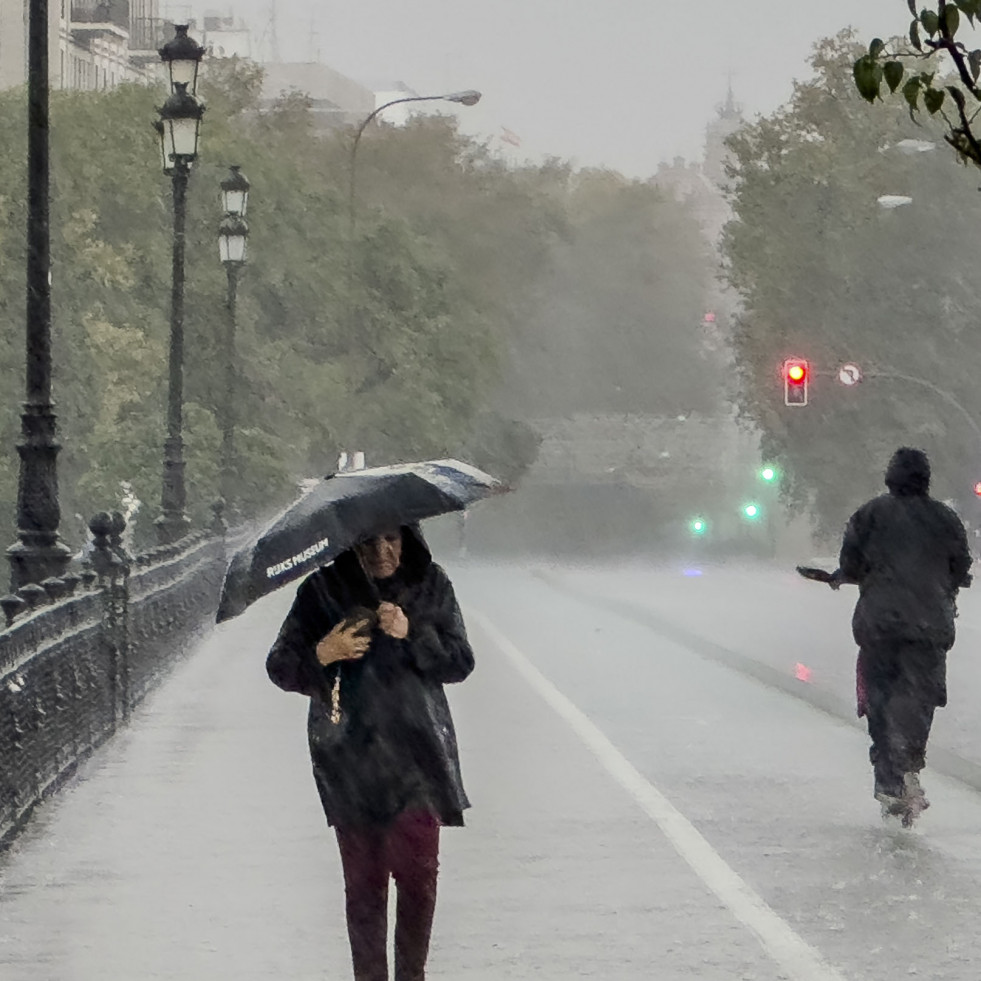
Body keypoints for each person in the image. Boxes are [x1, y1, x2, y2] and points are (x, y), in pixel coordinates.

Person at [266, 523, 474, 981]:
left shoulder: (430, 584)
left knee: (418, 879)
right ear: (351, 544)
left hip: (416, 756)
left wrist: (412, 630)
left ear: (409, 539)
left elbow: (459, 662)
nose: (381, 551)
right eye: (368, 542)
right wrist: (324, 651)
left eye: (392, 540)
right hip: (349, 759)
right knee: (364, 887)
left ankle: (411, 976)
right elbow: (280, 665)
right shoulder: (322, 590)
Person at [834, 447, 972, 825]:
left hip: (879, 625)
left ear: (890, 477)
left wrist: (848, 575)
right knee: (920, 697)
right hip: (929, 627)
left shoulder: (870, 514)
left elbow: (850, 562)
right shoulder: (946, 519)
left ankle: (889, 780)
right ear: (926, 479)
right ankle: (909, 765)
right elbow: (961, 565)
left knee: (879, 699)